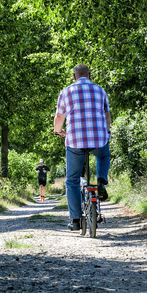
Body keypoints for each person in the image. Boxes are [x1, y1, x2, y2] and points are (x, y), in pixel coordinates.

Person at [53, 64, 111, 231]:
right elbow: (107, 114)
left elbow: (59, 116)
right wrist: (107, 131)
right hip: (98, 139)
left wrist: (58, 131)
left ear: (74, 76)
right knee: (103, 155)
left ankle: (76, 219)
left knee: (72, 180)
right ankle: (101, 180)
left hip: (75, 140)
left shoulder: (66, 91)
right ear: (90, 75)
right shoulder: (100, 90)